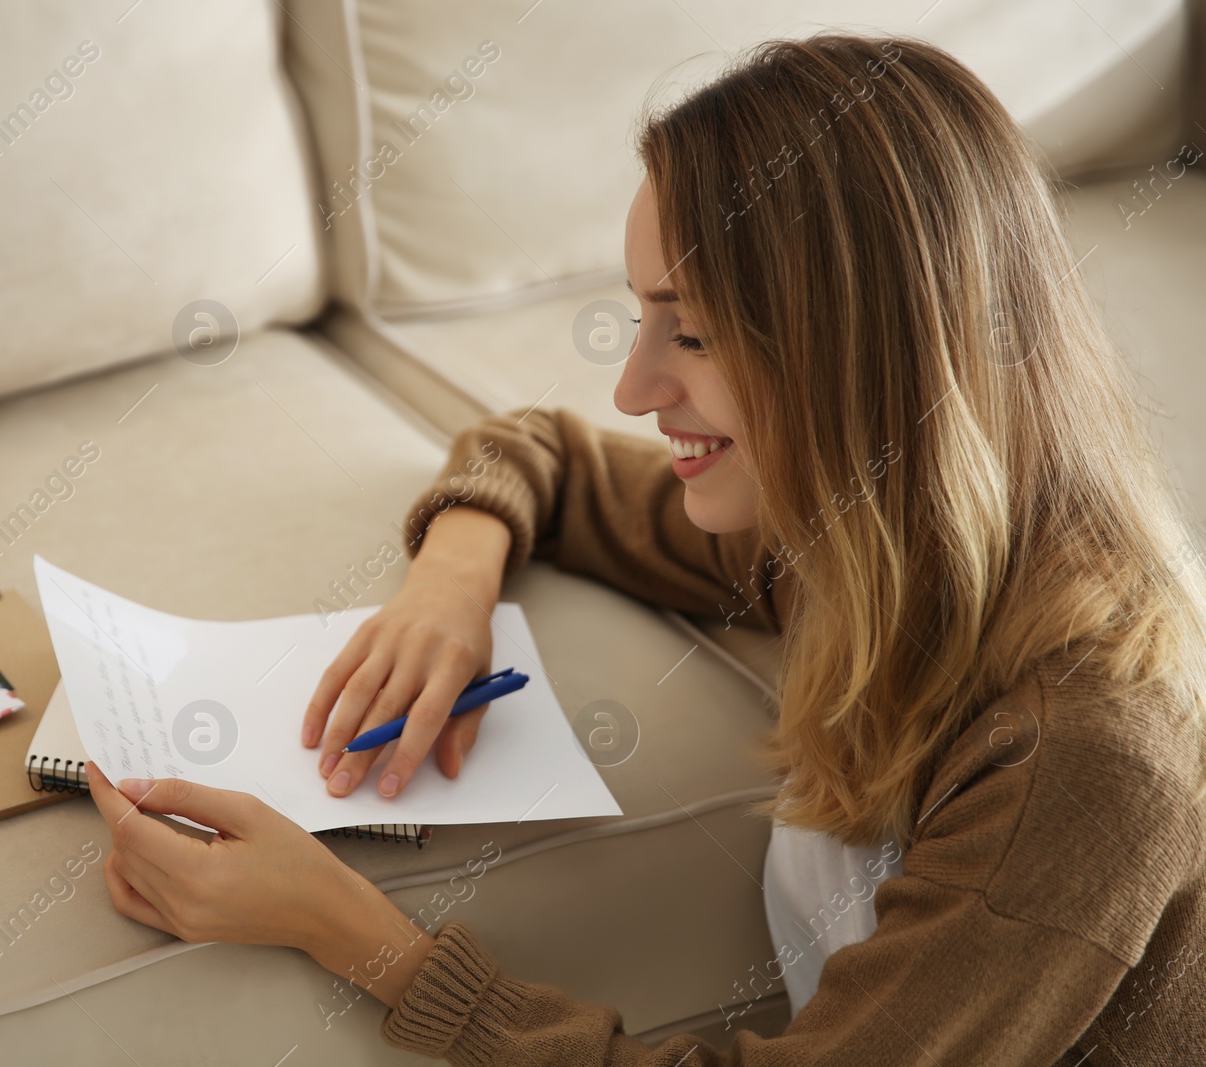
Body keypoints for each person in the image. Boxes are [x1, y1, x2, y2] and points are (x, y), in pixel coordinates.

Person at [84, 34, 1206, 1063]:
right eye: (640, 313)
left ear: (870, 361)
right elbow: (542, 454)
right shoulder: (863, 534)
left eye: (695, 331)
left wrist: (349, 932)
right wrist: (448, 589)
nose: (633, 388)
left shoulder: (1081, 761)